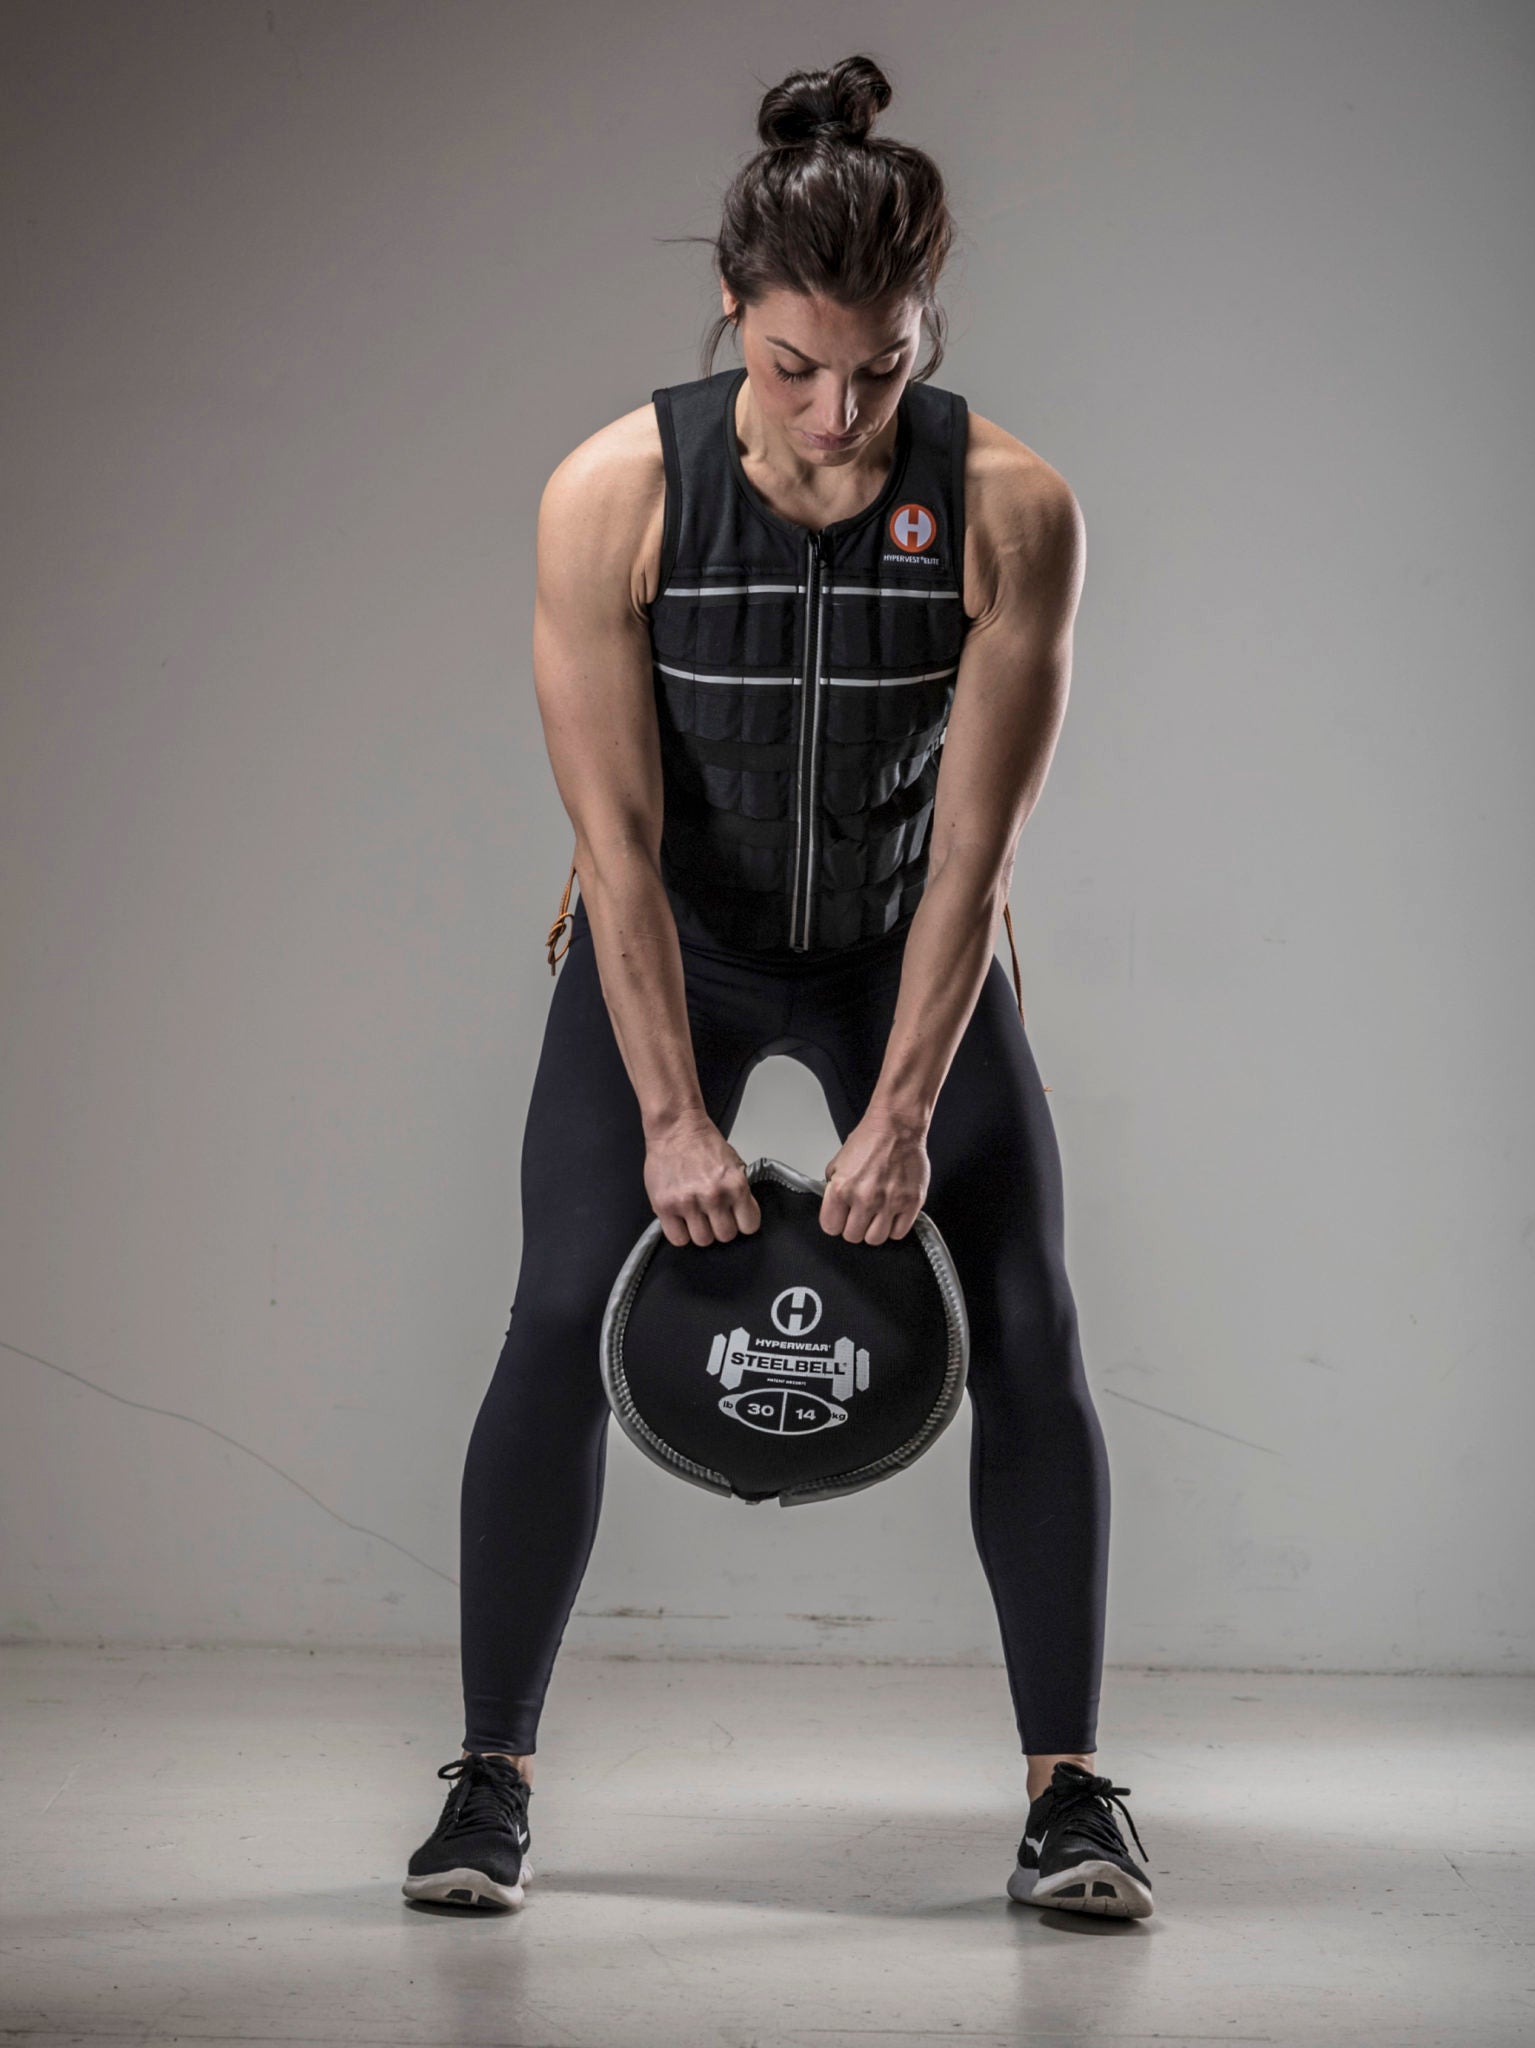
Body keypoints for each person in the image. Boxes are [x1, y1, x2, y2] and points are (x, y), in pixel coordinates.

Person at [402, 52, 1153, 1921]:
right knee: (558, 1309)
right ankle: (488, 1778)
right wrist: (669, 1114)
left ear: (926, 331)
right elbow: (620, 850)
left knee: (1034, 1324)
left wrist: (901, 1109)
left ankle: (1070, 1794)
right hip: (681, 949)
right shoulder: (612, 498)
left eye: (881, 368)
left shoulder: (1012, 509)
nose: (838, 411)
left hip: (908, 944)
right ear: (732, 313)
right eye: (796, 364)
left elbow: (975, 856)